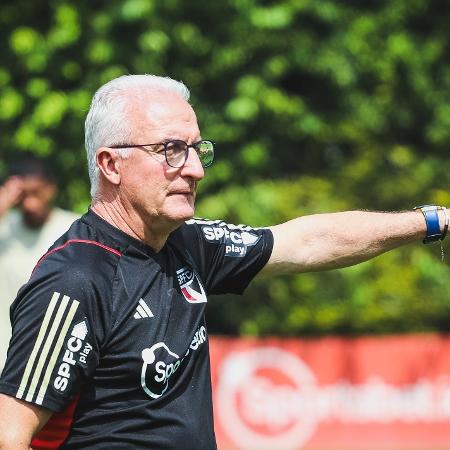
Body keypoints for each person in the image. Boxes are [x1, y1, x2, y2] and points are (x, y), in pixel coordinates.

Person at [0, 74, 447, 450]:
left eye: (197, 150)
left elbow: (308, 242)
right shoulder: (76, 278)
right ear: (111, 164)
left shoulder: (189, 244)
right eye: (171, 149)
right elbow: (9, 433)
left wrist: (434, 220)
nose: (195, 168)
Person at [0, 155, 78, 371]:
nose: (31, 203)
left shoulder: (72, 229)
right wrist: (5, 199)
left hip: (53, 362)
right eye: (23, 195)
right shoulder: (5, 227)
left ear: (51, 188)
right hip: (4, 356)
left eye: (37, 193)